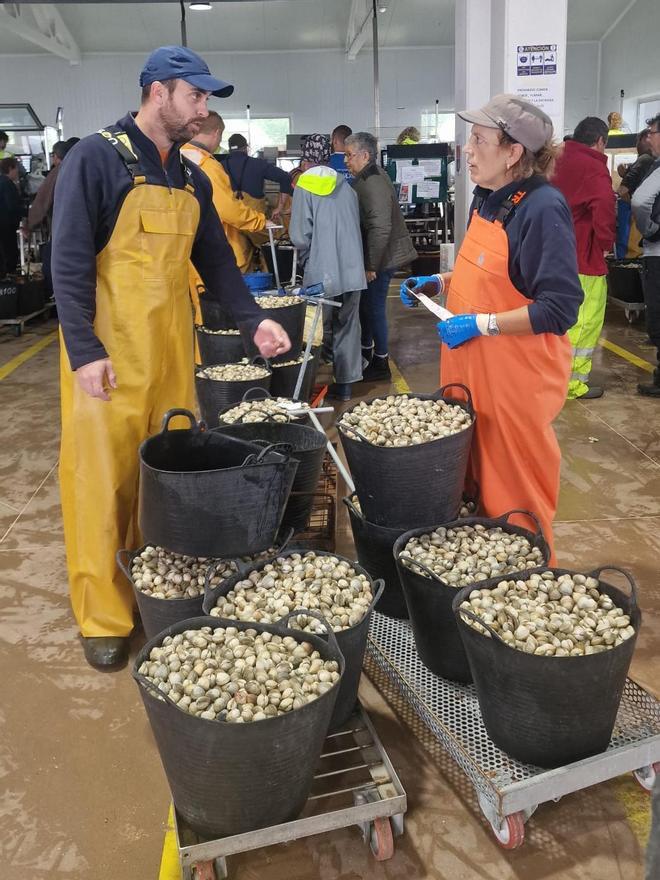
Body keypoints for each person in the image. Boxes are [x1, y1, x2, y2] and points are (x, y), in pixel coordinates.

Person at [52, 45, 291, 670]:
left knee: (162, 476)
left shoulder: (185, 173)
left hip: (168, 354)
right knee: (101, 483)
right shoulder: (96, 159)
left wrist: (254, 319)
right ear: (159, 92)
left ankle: (151, 589)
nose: (203, 107)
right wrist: (83, 350)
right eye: (196, 95)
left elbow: (214, 258)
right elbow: (70, 261)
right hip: (107, 357)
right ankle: (102, 614)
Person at [400, 95, 582, 559]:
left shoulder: (542, 209)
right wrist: (440, 282)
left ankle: (527, 586)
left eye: (480, 140)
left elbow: (559, 308)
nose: (468, 150)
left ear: (513, 151)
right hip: (472, 377)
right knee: (475, 488)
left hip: (515, 385)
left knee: (515, 498)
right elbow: (491, 273)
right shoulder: (489, 198)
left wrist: (480, 324)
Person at [289, 134, 366, 401]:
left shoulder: (304, 185)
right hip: (353, 270)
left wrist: (305, 258)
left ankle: (309, 383)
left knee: (315, 330)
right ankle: (345, 385)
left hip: (321, 272)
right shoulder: (346, 186)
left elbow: (299, 235)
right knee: (348, 325)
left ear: (306, 159)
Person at [345, 131, 417, 381]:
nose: (346, 161)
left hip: (381, 259)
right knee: (367, 308)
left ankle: (381, 362)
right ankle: (368, 355)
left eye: (349, 155)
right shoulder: (368, 177)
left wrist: (371, 265)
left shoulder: (372, 182)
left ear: (365, 155)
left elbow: (381, 227)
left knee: (374, 309)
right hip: (378, 255)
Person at [552, 116, 616, 400]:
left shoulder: (555, 158)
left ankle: (549, 378)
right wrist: (606, 243)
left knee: (553, 318)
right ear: (600, 141)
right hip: (583, 257)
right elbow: (603, 207)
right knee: (584, 321)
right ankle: (572, 384)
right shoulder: (594, 167)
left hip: (551, 254)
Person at [182, 111, 274, 280]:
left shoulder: (177, 157)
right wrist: (260, 221)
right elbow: (228, 209)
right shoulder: (207, 165)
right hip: (215, 249)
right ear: (217, 133)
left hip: (186, 247)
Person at [631, 114, 660, 397]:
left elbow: (640, 200)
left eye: (652, 132)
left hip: (657, 254)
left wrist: (650, 229)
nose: (648, 136)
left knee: (658, 317)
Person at [220, 132, 293, 222]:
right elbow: (286, 178)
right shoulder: (258, 164)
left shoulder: (219, 166)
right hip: (255, 222)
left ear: (229, 149)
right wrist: (279, 207)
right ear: (246, 148)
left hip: (230, 222)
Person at [0, 157, 22, 276]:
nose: (18, 171)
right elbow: (12, 207)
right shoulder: (7, 184)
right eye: (16, 168)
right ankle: (11, 283)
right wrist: (27, 213)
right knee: (10, 254)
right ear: (10, 169)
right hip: (6, 226)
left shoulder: (1, 181)